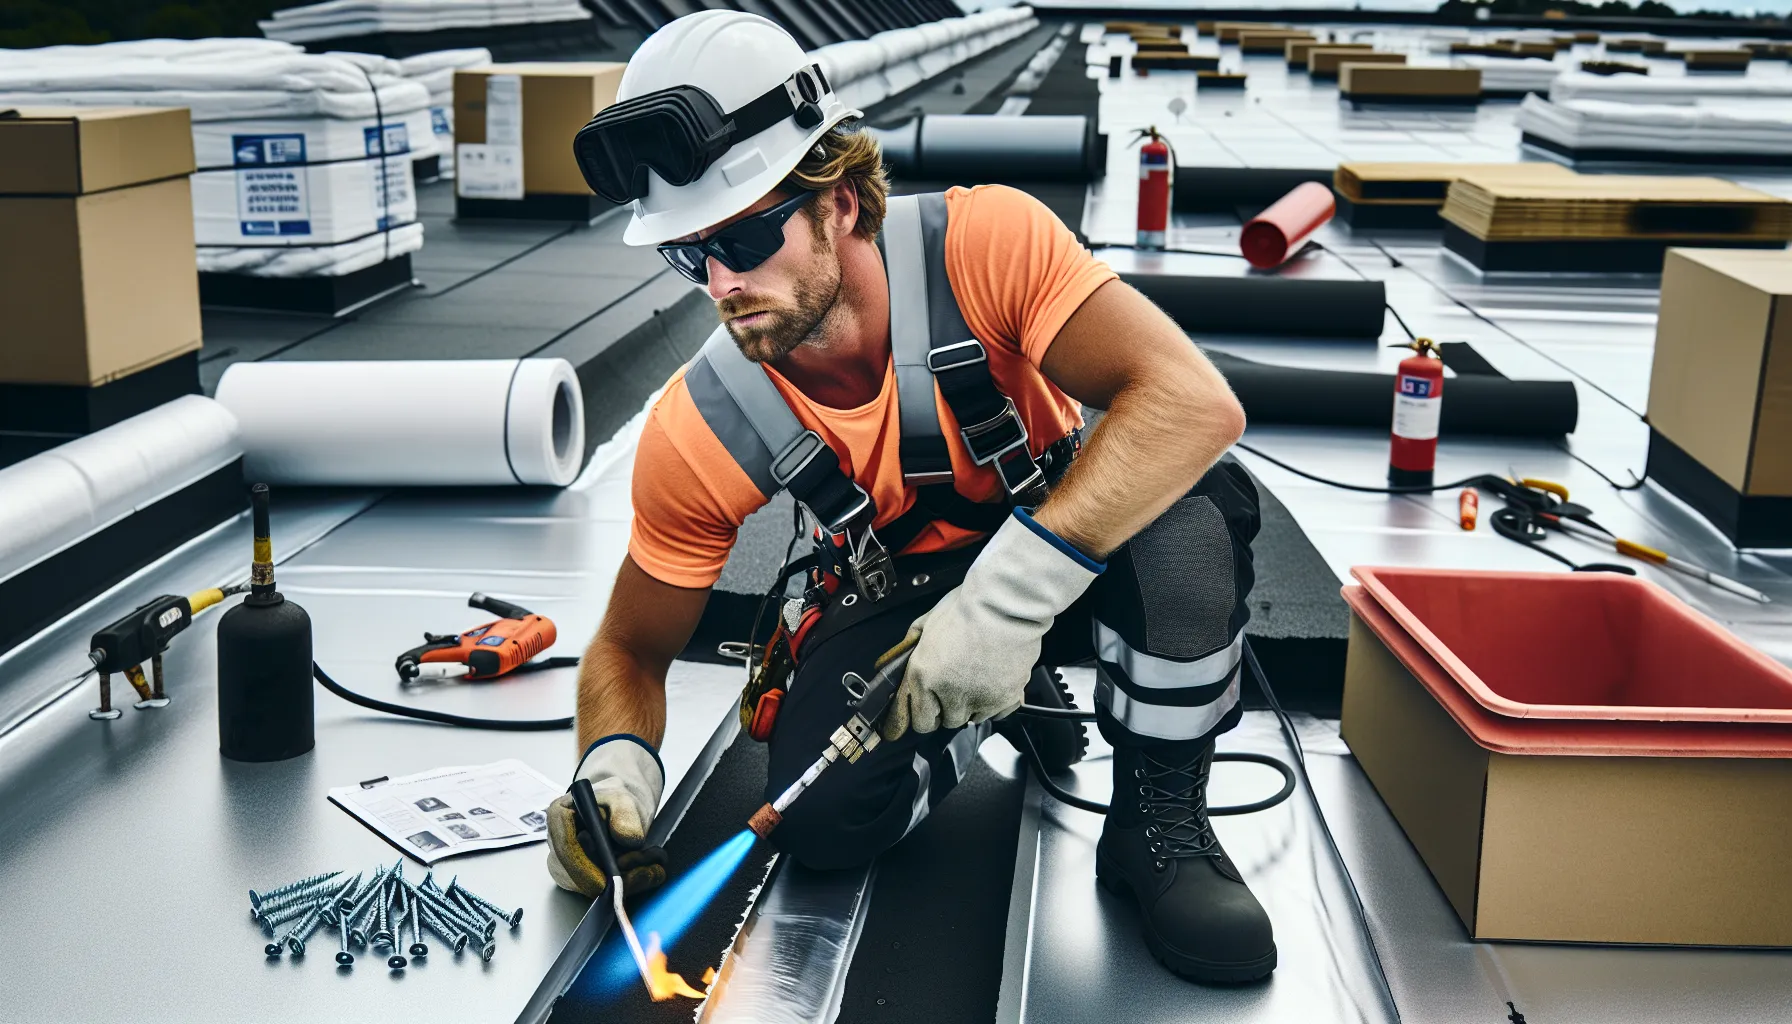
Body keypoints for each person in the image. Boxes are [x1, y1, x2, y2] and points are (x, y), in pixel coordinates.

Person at [542, 10, 1273, 983]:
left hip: (1072, 547)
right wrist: (613, 763)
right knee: (823, 821)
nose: (721, 283)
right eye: (688, 255)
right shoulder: (707, 419)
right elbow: (630, 646)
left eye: (749, 234)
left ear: (839, 200)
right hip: (904, 593)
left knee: (1187, 518)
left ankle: (1158, 823)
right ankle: (987, 704)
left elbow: (1191, 402)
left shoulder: (984, 242)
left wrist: (1010, 597)